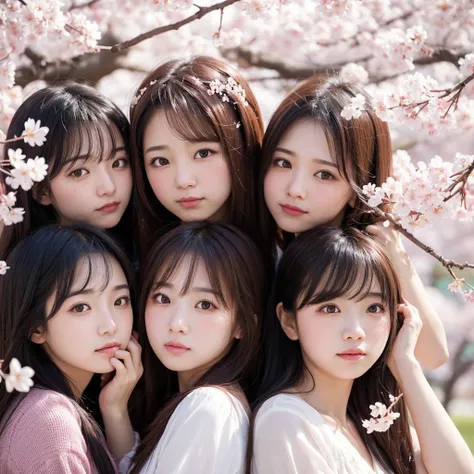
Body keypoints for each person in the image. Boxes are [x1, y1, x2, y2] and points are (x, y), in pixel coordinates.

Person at [248, 226, 474, 474]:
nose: (355, 331)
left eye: (374, 308)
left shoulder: (376, 429)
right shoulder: (286, 420)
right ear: (290, 322)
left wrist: (406, 366)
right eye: (330, 308)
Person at [259, 76, 448, 369]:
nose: (296, 188)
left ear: (358, 187)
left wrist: (398, 262)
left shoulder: (367, 260)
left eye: (325, 174)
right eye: (283, 162)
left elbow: (433, 355)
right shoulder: (259, 249)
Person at [0, 225, 142, 473]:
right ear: (36, 328)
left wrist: (114, 408)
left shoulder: (51, 411)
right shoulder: (49, 422)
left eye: (120, 301)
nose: (110, 325)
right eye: (80, 307)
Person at [124, 222, 264, 473]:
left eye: (205, 304)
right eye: (163, 298)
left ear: (242, 325)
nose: (177, 324)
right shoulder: (209, 405)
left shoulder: (208, 407)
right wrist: (114, 409)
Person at [129, 56, 264, 258]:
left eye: (203, 153)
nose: (184, 181)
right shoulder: (131, 264)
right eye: (161, 161)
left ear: (241, 144)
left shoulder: (292, 260)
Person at [0, 83, 133, 259]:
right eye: (79, 172)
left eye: (118, 163)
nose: (109, 188)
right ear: (41, 190)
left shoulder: (146, 247)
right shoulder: (38, 274)